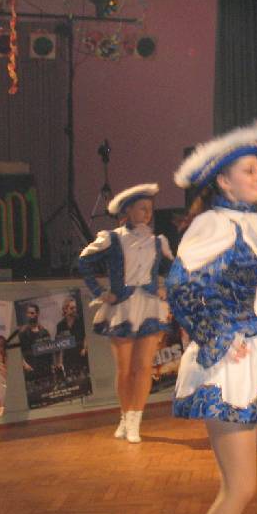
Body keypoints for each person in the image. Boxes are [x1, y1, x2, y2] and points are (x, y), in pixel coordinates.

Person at [167, 120, 257, 514]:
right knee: (241, 487)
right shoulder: (213, 224)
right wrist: (219, 335)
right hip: (230, 364)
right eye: (250, 170)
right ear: (225, 182)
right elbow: (180, 285)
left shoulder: (246, 224)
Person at [79, 183, 173, 443]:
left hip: (150, 307)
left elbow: (175, 268)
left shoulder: (158, 242)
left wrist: (165, 287)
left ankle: (135, 421)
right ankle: (124, 415)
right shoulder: (113, 238)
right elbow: (84, 262)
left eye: (150, 209)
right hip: (122, 307)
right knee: (125, 369)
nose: (147, 213)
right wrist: (100, 292)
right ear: (128, 210)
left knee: (144, 367)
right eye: (142, 208)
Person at [55, 297, 90, 379]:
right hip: (68, 358)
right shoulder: (60, 325)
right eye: (72, 308)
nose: (74, 310)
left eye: (75, 308)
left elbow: (86, 336)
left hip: (81, 355)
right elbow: (59, 345)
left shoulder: (81, 321)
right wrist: (59, 362)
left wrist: (85, 348)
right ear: (65, 310)